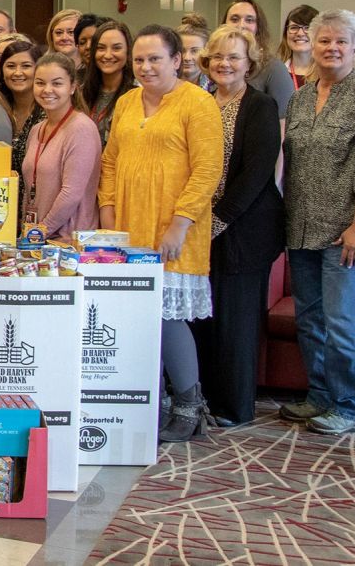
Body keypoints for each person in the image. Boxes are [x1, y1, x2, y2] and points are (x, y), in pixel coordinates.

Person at [97, 24, 224, 443]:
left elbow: (208, 170)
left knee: (168, 319)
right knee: (139, 321)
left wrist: (180, 223)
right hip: (128, 230)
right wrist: (109, 215)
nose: (146, 67)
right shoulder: (129, 101)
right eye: (140, 59)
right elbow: (111, 161)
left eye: (155, 58)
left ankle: (191, 406)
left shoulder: (198, 102)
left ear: (176, 60)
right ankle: (159, 401)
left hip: (175, 232)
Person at [279, 9, 355, 436]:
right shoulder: (302, 97)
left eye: (340, 41)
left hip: (350, 231)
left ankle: (352, 406)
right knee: (310, 320)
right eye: (324, 40)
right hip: (303, 227)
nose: (331, 48)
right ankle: (321, 397)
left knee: (345, 323)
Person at [193, 26, 285, 429]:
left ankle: (235, 406)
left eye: (234, 57)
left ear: (250, 63)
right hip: (201, 228)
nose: (225, 64)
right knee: (206, 317)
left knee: (237, 320)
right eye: (217, 56)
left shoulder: (260, 105)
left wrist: (218, 219)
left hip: (245, 229)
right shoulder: (199, 103)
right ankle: (206, 399)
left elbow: (257, 172)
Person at [20, 52, 101, 240]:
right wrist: (29, 230)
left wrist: (41, 230)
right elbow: (29, 187)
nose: (47, 90)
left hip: (68, 241)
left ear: (72, 87)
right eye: (40, 83)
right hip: (37, 237)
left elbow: (71, 193)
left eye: (57, 83)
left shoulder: (81, 128)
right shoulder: (37, 129)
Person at [223, 0, 297, 116]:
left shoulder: (274, 68)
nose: (241, 25)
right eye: (234, 19)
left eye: (249, 20)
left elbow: (285, 122)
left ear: (258, 27)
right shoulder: (216, 66)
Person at [0, 38, 46, 172]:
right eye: (11, 66)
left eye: (26, 66)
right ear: (1, 71)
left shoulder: (48, 113)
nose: (17, 73)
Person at [84, 21, 135, 142]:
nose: (107, 55)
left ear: (128, 52)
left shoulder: (137, 96)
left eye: (116, 48)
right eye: (101, 48)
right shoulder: (82, 93)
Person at [280, 4, 320, 87]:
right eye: (294, 27)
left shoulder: (329, 75)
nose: (300, 33)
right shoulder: (276, 74)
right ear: (285, 34)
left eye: (307, 28)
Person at [178, 16, 213, 93]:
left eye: (194, 51)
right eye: (182, 50)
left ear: (206, 52)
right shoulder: (164, 85)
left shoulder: (216, 87)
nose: (187, 58)